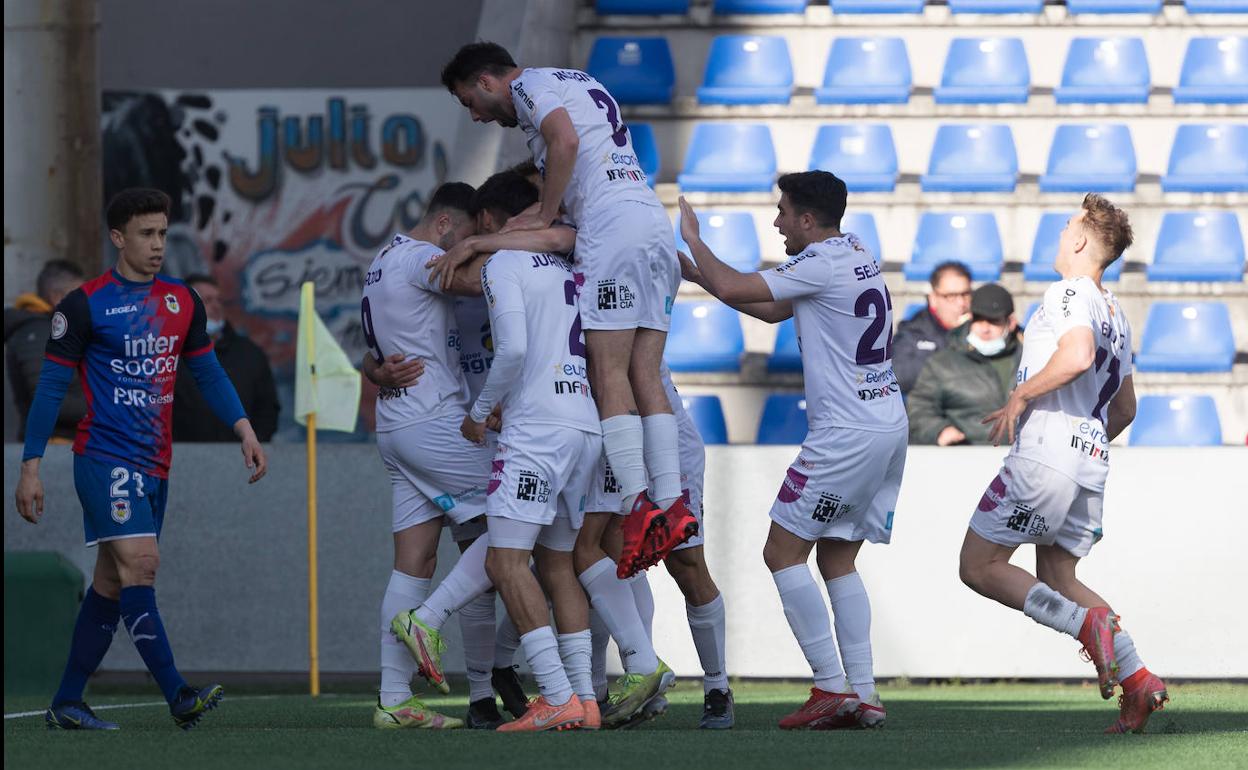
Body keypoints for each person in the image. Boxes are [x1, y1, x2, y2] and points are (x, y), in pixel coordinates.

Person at [14, 188, 268, 731]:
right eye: (146, 234)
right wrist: (31, 466)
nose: (157, 245)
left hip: (155, 463)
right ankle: (178, 694)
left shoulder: (182, 301)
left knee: (111, 583)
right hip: (105, 458)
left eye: (162, 233)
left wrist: (243, 426)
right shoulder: (84, 305)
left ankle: (66, 702)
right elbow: (51, 388)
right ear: (118, 238)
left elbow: (207, 372)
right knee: (142, 566)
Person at [438, 42, 697, 574]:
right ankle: (671, 505)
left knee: (608, 373)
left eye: (470, 101)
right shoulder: (578, 80)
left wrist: (543, 213)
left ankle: (637, 504)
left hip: (610, 234)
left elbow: (566, 140)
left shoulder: (528, 86)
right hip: (649, 220)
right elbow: (581, 165)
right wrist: (531, 218)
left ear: (488, 81)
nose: (477, 115)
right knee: (643, 370)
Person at [678, 171, 906, 730]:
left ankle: (830, 685)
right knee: (837, 557)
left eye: (783, 212)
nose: (777, 222)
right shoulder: (855, 252)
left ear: (807, 219)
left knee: (781, 553)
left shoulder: (822, 260)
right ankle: (866, 693)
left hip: (845, 433)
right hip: (885, 423)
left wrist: (695, 241)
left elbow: (738, 288)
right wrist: (699, 275)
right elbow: (774, 309)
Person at [961, 194, 1166, 734]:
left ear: (1080, 241)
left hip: (1046, 451)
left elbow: (1075, 357)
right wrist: (1084, 441)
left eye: (1065, 229)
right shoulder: (1115, 311)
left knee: (978, 566)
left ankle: (1085, 625)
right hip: (1091, 456)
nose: (1058, 238)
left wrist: (1023, 395)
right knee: (1057, 573)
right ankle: (1139, 679)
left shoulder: (1070, 292)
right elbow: (1125, 408)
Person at [357, 181, 504, 731]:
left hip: (397, 427)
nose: (467, 249)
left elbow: (376, 349)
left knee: (415, 561)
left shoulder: (382, 258)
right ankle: (428, 621)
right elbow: (476, 280)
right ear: (445, 226)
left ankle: (395, 700)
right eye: (466, 238)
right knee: (518, 524)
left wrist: (374, 371)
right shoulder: (422, 257)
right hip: (433, 422)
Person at [907, 284, 1023, 446]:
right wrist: (939, 430)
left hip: (1024, 458)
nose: (984, 328)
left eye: (993, 321)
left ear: (1010, 323)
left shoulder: (1031, 357)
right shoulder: (942, 363)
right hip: (965, 457)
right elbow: (919, 407)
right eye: (978, 319)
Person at [172, 274, 280, 442]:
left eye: (219, 300)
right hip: (180, 458)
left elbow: (267, 409)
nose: (216, 306)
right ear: (184, 306)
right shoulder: (169, 351)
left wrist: (254, 443)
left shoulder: (250, 353)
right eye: (207, 301)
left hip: (241, 459)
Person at [5, 259, 87, 441]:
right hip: (52, 450)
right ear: (57, 297)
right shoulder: (38, 334)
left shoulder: (54, 331)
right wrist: (103, 408)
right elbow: (46, 401)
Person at [893, 261, 972, 394]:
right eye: (951, 296)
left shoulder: (983, 326)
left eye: (965, 294)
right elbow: (900, 376)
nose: (961, 303)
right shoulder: (914, 330)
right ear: (933, 299)